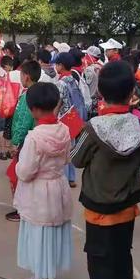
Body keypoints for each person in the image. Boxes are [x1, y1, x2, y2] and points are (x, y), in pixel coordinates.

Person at [72, 61, 140, 279]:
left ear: (101, 94)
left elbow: (76, 159)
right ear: (131, 94)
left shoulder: (93, 128)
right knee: (121, 257)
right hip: (127, 207)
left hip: (99, 208)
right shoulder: (138, 126)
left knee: (100, 262)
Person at [14, 82, 72, 279]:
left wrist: (19, 167)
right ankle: (47, 276)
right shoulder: (64, 130)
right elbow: (67, 159)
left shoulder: (34, 137)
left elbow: (26, 171)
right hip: (57, 185)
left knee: (38, 234)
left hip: (38, 191)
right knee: (52, 233)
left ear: (34, 109)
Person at [6, 61, 42, 222]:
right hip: (36, 137)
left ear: (26, 76)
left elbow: (23, 120)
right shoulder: (39, 91)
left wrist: (16, 141)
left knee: (17, 174)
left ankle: (21, 209)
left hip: (26, 140)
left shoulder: (28, 95)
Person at [54, 52, 87, 188]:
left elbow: (58, 103)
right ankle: (72, 178)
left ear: (61, 66)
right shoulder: (73, 79)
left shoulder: (60, 83)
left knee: (63, 151)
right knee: (71, 149)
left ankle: (65, 178)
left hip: (63, 119)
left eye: (56, 64)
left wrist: (53, 118)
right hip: (74, 119)